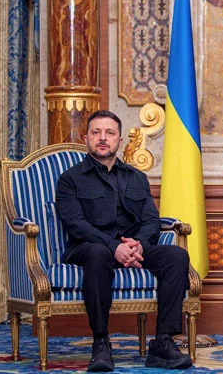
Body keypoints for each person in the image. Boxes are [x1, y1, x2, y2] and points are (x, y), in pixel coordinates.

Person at [56, 110, 193, 372]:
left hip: (132, 248)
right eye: (96, 132)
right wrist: (114, 247)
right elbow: (76, 224)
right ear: (86, 138)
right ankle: (101, 343)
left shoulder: (137, 177)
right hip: (88, 248)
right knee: (97, 253)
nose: (102, 138)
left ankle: (163, 342)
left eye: (109, 133)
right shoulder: (70, 179)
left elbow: (151, 220)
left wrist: (139, 244)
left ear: (119, 140)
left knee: (176, 255)